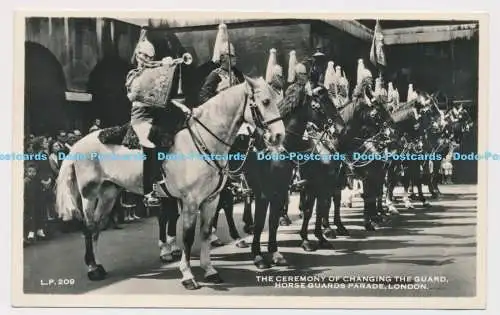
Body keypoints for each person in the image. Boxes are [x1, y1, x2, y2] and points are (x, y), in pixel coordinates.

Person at [125, 30, 182, 207]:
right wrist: (155, 72)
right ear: (137, 55)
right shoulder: (133, 74)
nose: (146, 59)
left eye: (149, 57)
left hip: (155, 116)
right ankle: (149, 189)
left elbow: (164, 91)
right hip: (140, 118)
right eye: (143, 55)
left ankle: (167, 176)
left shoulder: (156, 71)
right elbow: (133, 95)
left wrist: (167, 68)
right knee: (148, 142)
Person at [198, 23, 245, 105]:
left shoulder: (237, 74)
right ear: (223, 58)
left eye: (234, 56)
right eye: (231, 56)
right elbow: (203, 97)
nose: (234, 58)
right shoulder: (214, 75)